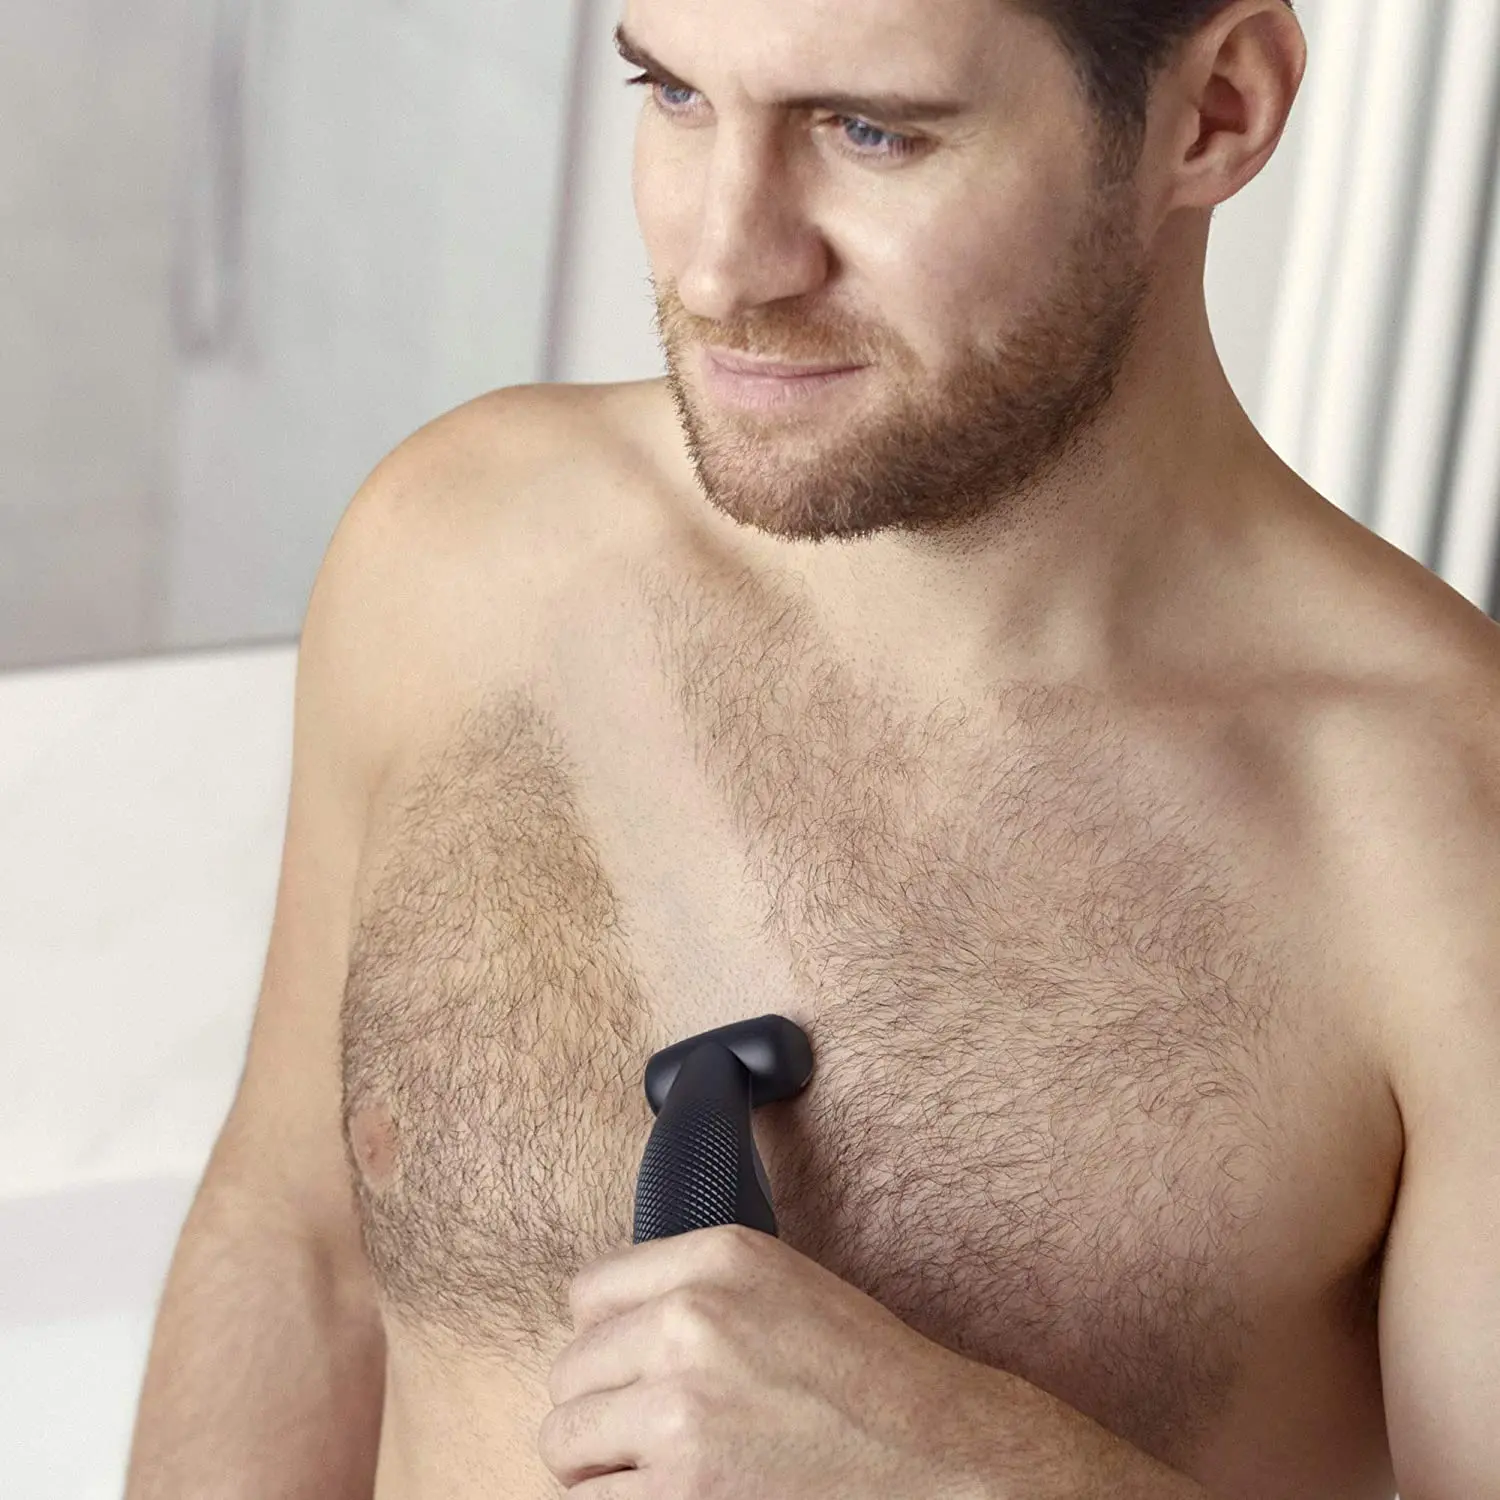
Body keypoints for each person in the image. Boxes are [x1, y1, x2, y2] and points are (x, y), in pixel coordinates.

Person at [125, 0, 1500, 1495]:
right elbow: (301, 1255)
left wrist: (975, 1473)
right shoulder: (458, 553)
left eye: (870, 132)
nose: (722, 267)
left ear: (1216, 111)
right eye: (675, 93)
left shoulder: (1439, 821)